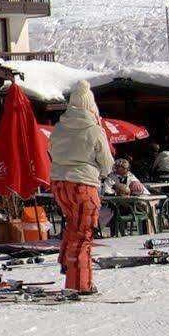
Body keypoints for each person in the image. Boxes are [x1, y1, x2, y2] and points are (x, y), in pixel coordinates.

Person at [48, 80, 115, 295]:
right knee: (83, 234)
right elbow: (107, 162)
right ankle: (79, 284)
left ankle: (67, 264)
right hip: (84, 184)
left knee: (72, 227)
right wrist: (102, 173)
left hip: (59, 184)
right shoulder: (94, 129)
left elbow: (52, 153)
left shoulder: (58, 127)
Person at [99, 159, 149, 234]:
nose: (119, 168)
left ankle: (145, 231)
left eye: (122, 167)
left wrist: (134, 192)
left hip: (131, 205)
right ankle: (114, 233)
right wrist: (116, 192)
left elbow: (143, 191)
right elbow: (106, 191)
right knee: (110, 210)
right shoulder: (111, 177)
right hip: (116, 205)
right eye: (118, 167)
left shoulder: (131, 177)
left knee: (143, 207)